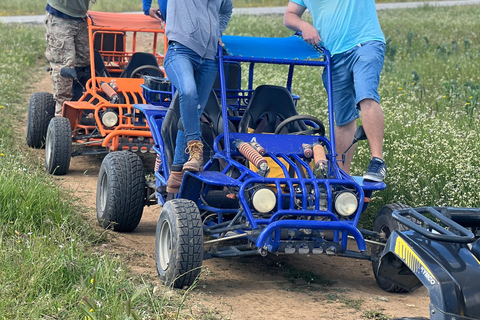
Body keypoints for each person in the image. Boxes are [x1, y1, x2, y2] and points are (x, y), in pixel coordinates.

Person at [284, 1, 387, 182]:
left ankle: (377, 161)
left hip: (365, 43)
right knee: (343, 117)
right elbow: (290, 14)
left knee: (366, 96)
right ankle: (341, 177)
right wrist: (304, 25)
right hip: (334, 54)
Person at [158, 0, 233, 193]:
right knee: (188, 91)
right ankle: (195, 151)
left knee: (194, 109)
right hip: (179, 51)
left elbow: (226, 9)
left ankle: (176, 172)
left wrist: (217, 31)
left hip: (208, 58)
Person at [45, 0, 91, 117]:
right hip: (60, 16)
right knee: (65, 64)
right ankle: (62, 110)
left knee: (85, 61)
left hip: (81, 17)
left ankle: (80, 103)